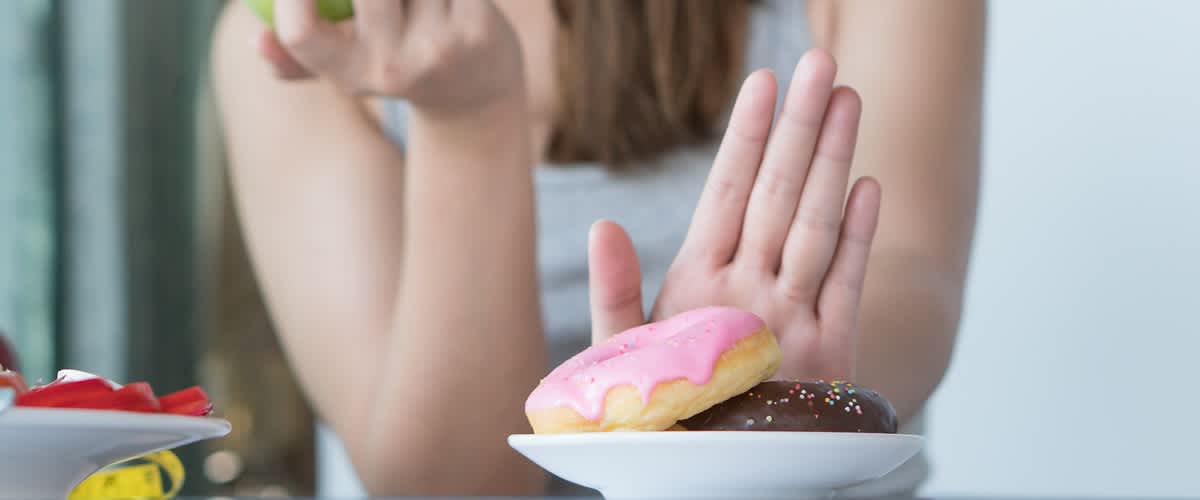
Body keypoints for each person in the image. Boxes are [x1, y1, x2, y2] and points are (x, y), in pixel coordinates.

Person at [211, 0, 984, 496]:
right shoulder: (292, 35)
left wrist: (744, 405)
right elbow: (448, 489)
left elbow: (912, 278)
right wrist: (470, 127)